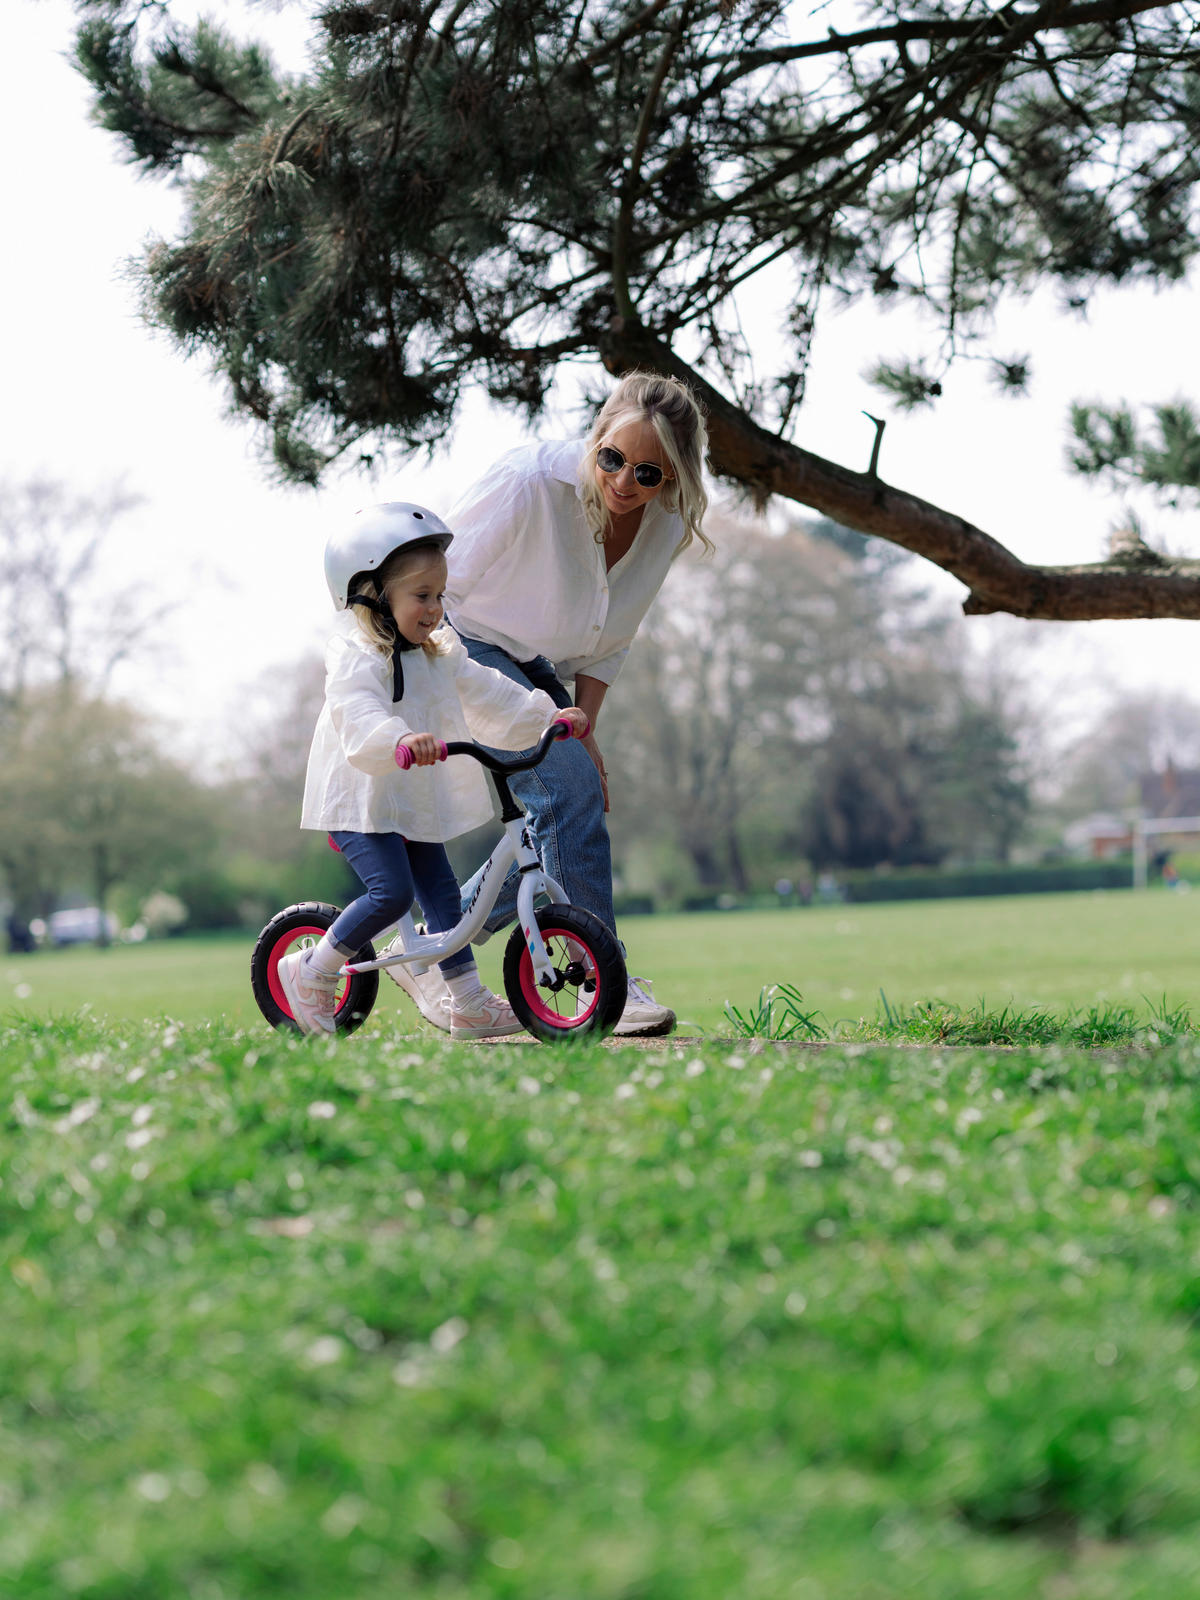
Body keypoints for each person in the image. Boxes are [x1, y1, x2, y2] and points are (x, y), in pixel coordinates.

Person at [385, 370, 711, 1039]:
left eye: (648, 474)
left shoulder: (666, 526)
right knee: (566, 794)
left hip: (543, 669)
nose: (624, 483)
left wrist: (584, 728)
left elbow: (609, 639)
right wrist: (421, 677)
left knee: (563, 806)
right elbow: (436, 587)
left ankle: (427, 947)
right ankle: (600, 981)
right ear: (595, 435)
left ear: (674, 479)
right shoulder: (528, 482)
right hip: (465, 642)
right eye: (612, 458)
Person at [279, 503, 588, 1039]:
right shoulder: (357, 658)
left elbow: (489, 693)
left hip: (411, 795)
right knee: (392, 894)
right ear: (374, 597)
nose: (434, 609)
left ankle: (466, 1000)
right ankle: (311, 971)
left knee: (443, 892)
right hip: (361, 798)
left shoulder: (440, 652)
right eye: (421, 596)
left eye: (440, 596)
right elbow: (358, 712)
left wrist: (547, 714)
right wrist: (398, 738)